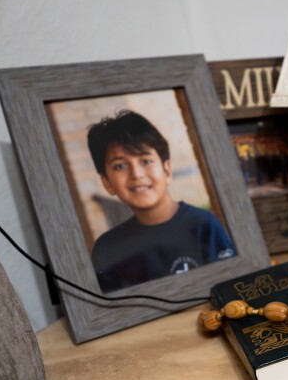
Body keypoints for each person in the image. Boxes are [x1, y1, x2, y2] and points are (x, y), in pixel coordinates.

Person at [87, 110, 235, 292]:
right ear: (107, 183)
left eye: (145, 161)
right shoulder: (106, 249)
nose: (136, 174)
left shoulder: (204, 226)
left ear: (167, 171)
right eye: (120, 166)